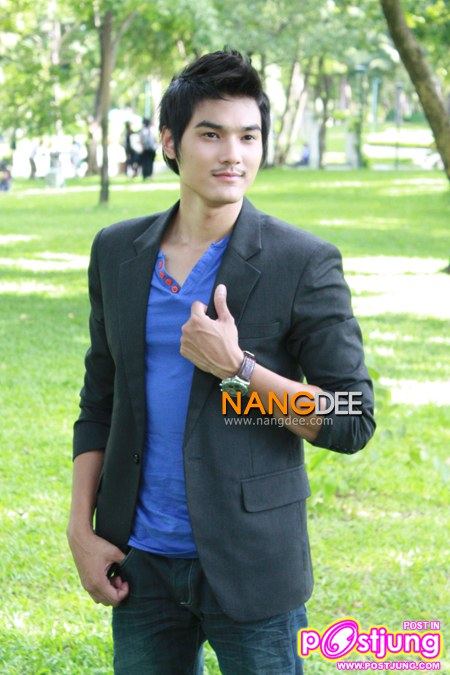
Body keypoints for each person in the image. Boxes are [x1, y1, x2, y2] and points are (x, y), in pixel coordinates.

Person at [68, 49, 375, 674]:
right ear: (170, 142)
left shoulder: (302, 262)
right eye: (211, 134)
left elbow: (352, 418)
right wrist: (81, 530)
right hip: (140, 563)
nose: (233, 154)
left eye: (248, 136)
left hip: (253, 566)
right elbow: (100, 401)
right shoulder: (117, 251)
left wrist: (239, 370)